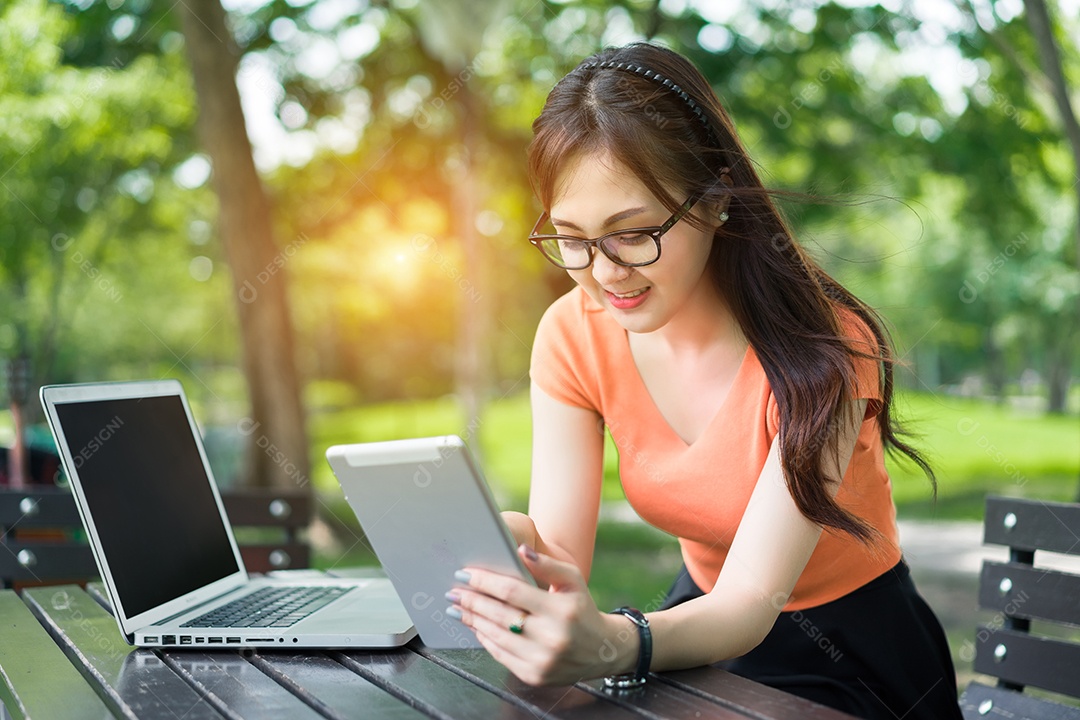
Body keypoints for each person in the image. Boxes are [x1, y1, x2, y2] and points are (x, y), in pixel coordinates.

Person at [444, 42, 962, 720]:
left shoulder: (824, 353)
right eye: (571, 238)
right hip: (693, 634)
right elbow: (557, 548)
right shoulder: (573, 332)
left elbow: (750, 604)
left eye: (633, 234)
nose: (603, 273)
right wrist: (500, 549)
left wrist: (611, 641)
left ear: (716, 198)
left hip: (848, 658)